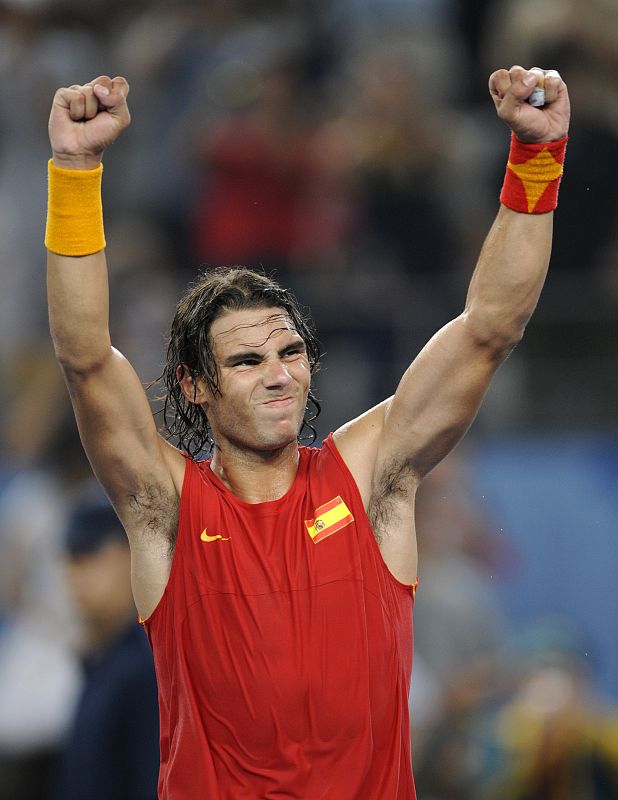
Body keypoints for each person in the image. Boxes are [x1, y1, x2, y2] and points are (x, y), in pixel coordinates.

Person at [44, 64, 570, 799]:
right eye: (248, 360)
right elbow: (85, 358)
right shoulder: (164, 507)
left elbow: (490, 328)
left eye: (291, 352)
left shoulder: (370, 475)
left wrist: (538, 156)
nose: (280, 373)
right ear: (196, 385)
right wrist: (75, 170)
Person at [53, 493, 159, 800]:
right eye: (72, 559)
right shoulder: (102, 658)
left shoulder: (147, 665)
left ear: (131, 554)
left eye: (92, 556)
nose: (76, 572)